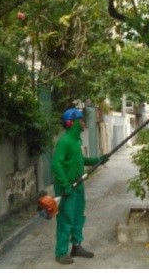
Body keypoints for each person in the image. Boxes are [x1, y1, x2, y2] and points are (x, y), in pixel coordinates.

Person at [51, 107, 108, 264]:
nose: (84, 123)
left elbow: (80, 160)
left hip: (78, 186)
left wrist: (98, 160)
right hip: (67, 187)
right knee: (65, 218)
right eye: (81, 120)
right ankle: (61, 252)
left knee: (78, 217)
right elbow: (56, 164)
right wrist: (65, 184)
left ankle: (76, 246)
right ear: (73, 123)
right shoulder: (65, 141)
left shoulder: (76, 141)